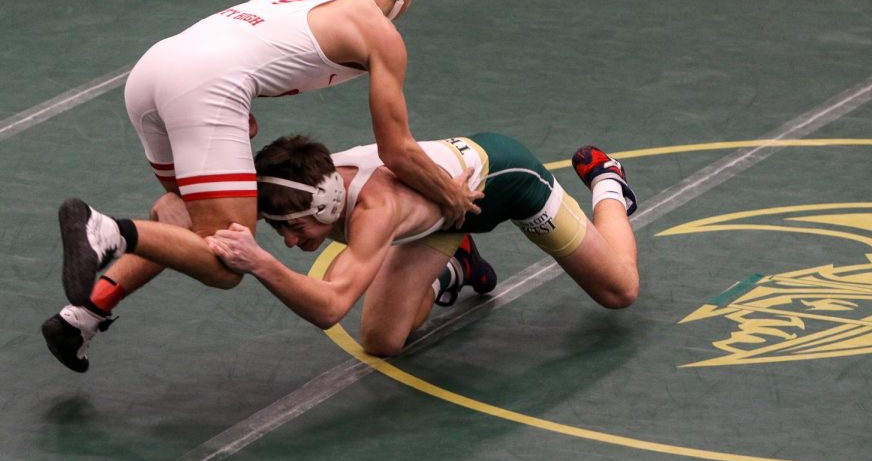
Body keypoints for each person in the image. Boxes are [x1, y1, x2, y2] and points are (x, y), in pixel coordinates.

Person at [41, 0, 484, 372]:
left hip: (152, 70)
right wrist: (451, 194)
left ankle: (81, 317)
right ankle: (107, 230)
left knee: (187, 217)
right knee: (226, 259)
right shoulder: (380, 32)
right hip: (205, 87)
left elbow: (238, 46)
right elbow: (397, 150)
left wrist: (235, 107)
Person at [200, 132, 640, 356]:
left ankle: (607, 182)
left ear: (330, 200)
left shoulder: (377, 209)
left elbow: (330, 306)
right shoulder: (300, 186)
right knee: (382, 340)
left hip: (507, 184)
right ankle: (457, 267)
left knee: (619, 290)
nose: (291, 242)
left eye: (295, 229)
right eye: (280, 233)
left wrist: (259, 262)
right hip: (439, 220)